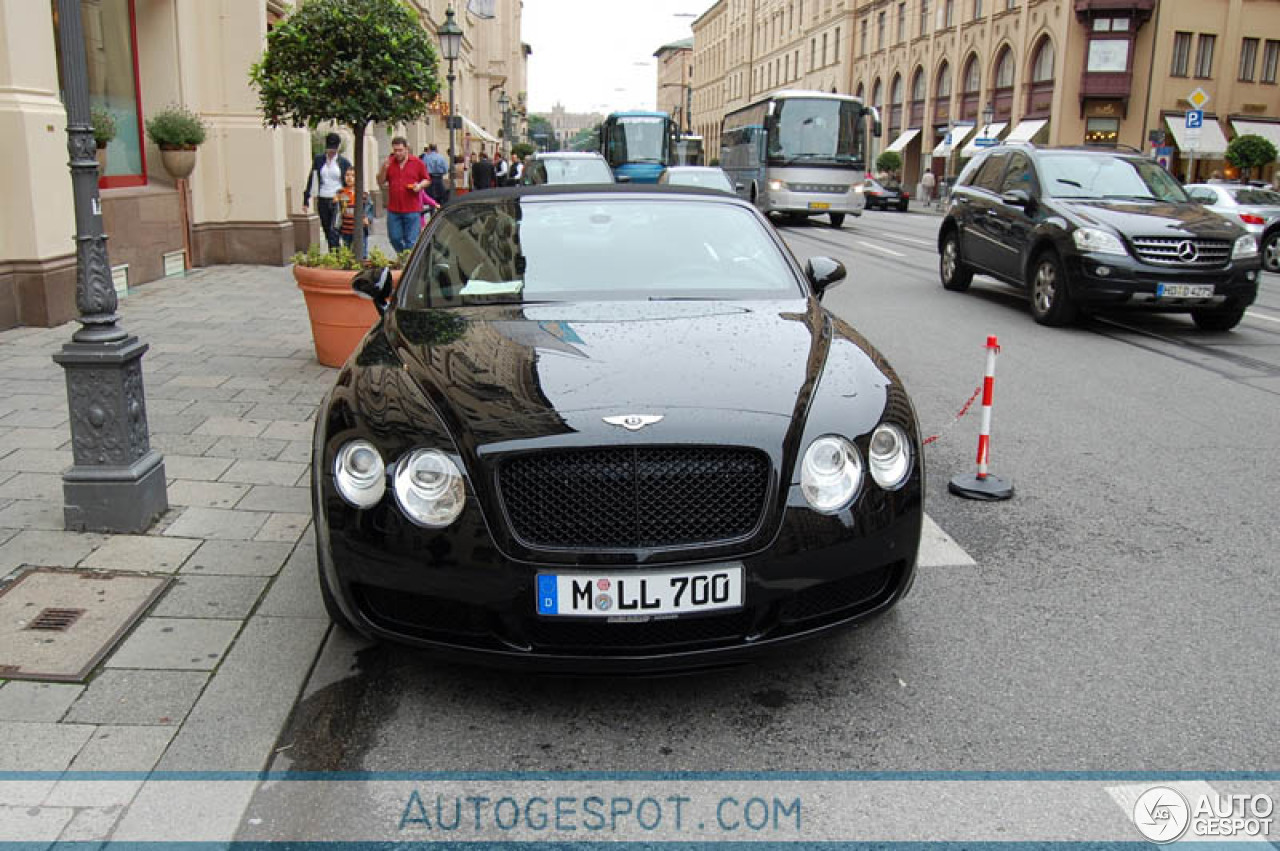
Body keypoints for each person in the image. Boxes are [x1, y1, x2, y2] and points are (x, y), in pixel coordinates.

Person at [377, 135, 429, 253]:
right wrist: (383, 170)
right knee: (394, 238)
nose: (398, 153)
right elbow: (380, 182)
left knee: (411, 240)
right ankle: (403, 256)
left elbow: (427, 179)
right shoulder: (389, 163)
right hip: (394, 208)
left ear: (406, 149)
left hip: (412, 208)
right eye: (395, 150)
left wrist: (419, 186)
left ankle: (406, 262)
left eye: (400, 150)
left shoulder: (417, 163)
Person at [302, 132, 351, 251]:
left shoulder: (343, 162)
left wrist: (347, 200)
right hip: (323, 197)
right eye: (329, 148)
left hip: (337, 200)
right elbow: (312, 179)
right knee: (327, 230)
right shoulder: (319, 160)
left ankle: (337, 255)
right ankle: (334, 253)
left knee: (334, 229)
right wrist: (306, 199)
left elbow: (349, 182)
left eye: (334, 149)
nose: (331, 152)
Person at [336, 167, 373, 258]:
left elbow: (369, 208)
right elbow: (340, 209)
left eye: (353, 176)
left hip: (360, 228)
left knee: (362, 252)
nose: (349, 178)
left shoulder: (363, 194)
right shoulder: (342, 193)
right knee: (347, 252)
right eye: (347, 175)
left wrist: (367, 218)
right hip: (346, 228)